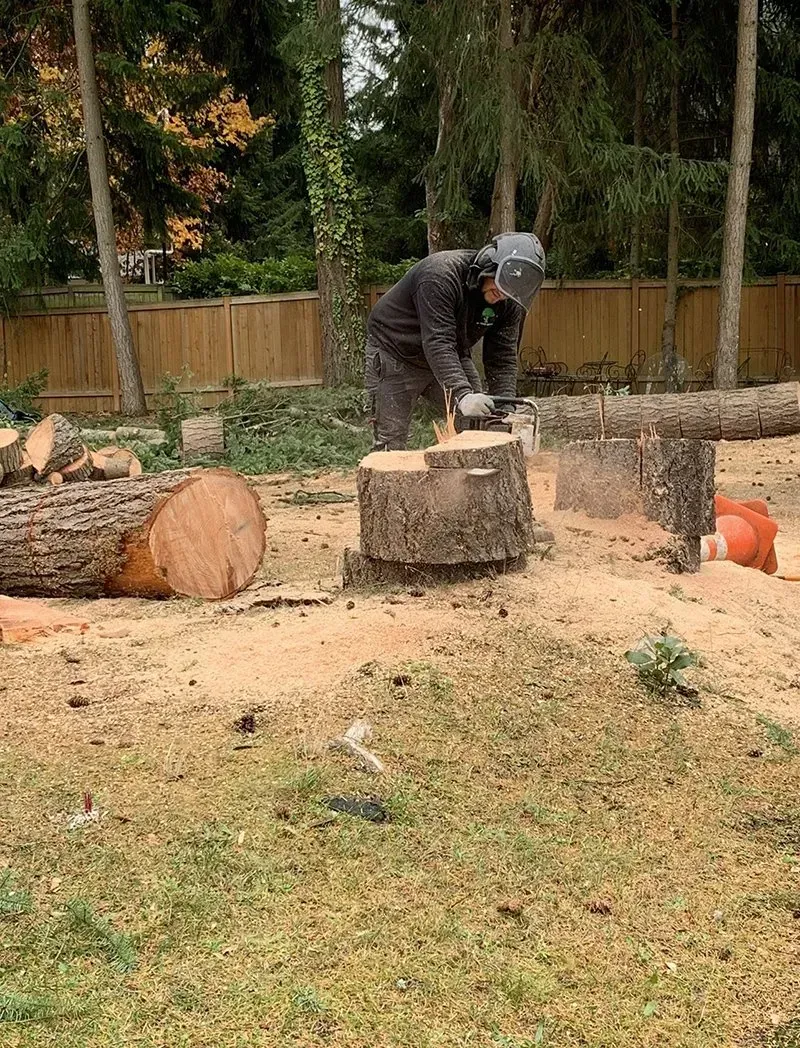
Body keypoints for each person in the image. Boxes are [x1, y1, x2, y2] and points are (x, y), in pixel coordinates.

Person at [365, 232, 546, 450]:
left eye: (509, 290)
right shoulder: (440, 275)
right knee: (390, 437)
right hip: (396, 352)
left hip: (451, 352)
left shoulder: (509, 302)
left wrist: (505, 411)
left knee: (478, 422)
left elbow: (502, 358)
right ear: (488, 263)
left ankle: (467, 481)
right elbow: (437, 340)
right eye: (500, 284)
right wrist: (462, 395)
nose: (502, 295)